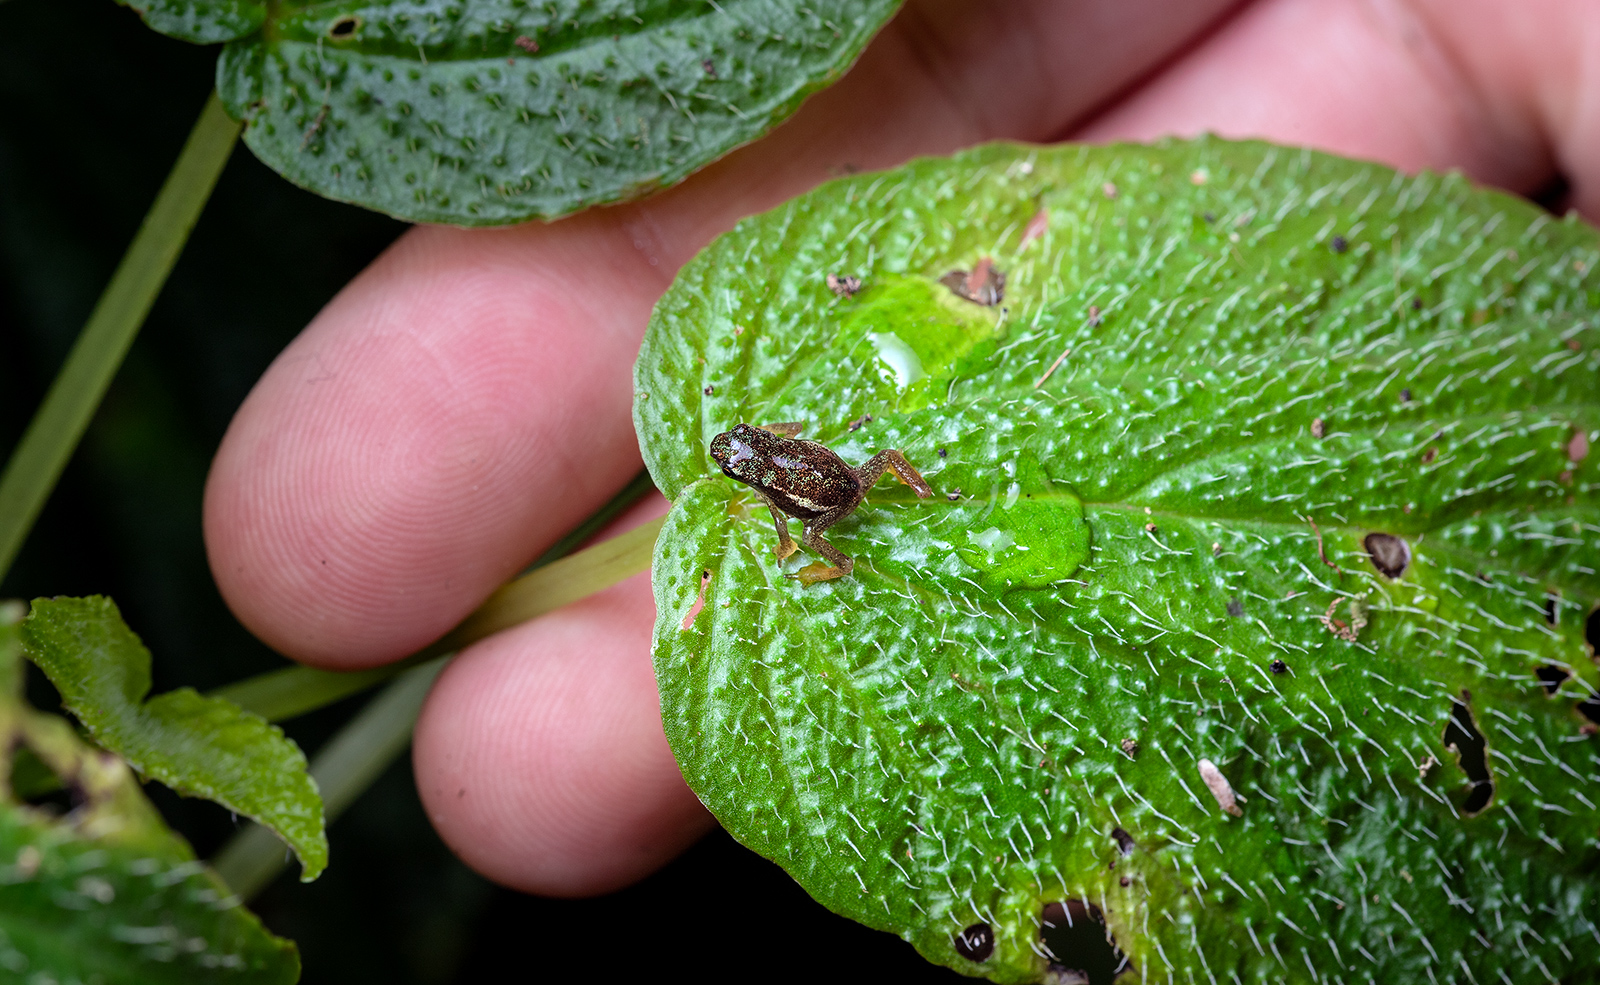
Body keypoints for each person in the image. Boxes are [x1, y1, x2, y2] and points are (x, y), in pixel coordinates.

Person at [201, 0, 1597, 897]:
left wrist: (817, 511)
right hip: (844, 490)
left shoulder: (782, 472)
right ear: (757, 455)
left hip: (850, 490)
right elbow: (787, 467)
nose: (747, 452)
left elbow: (803, 474)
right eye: (748, 452)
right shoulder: (765, 465)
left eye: (748, 447)